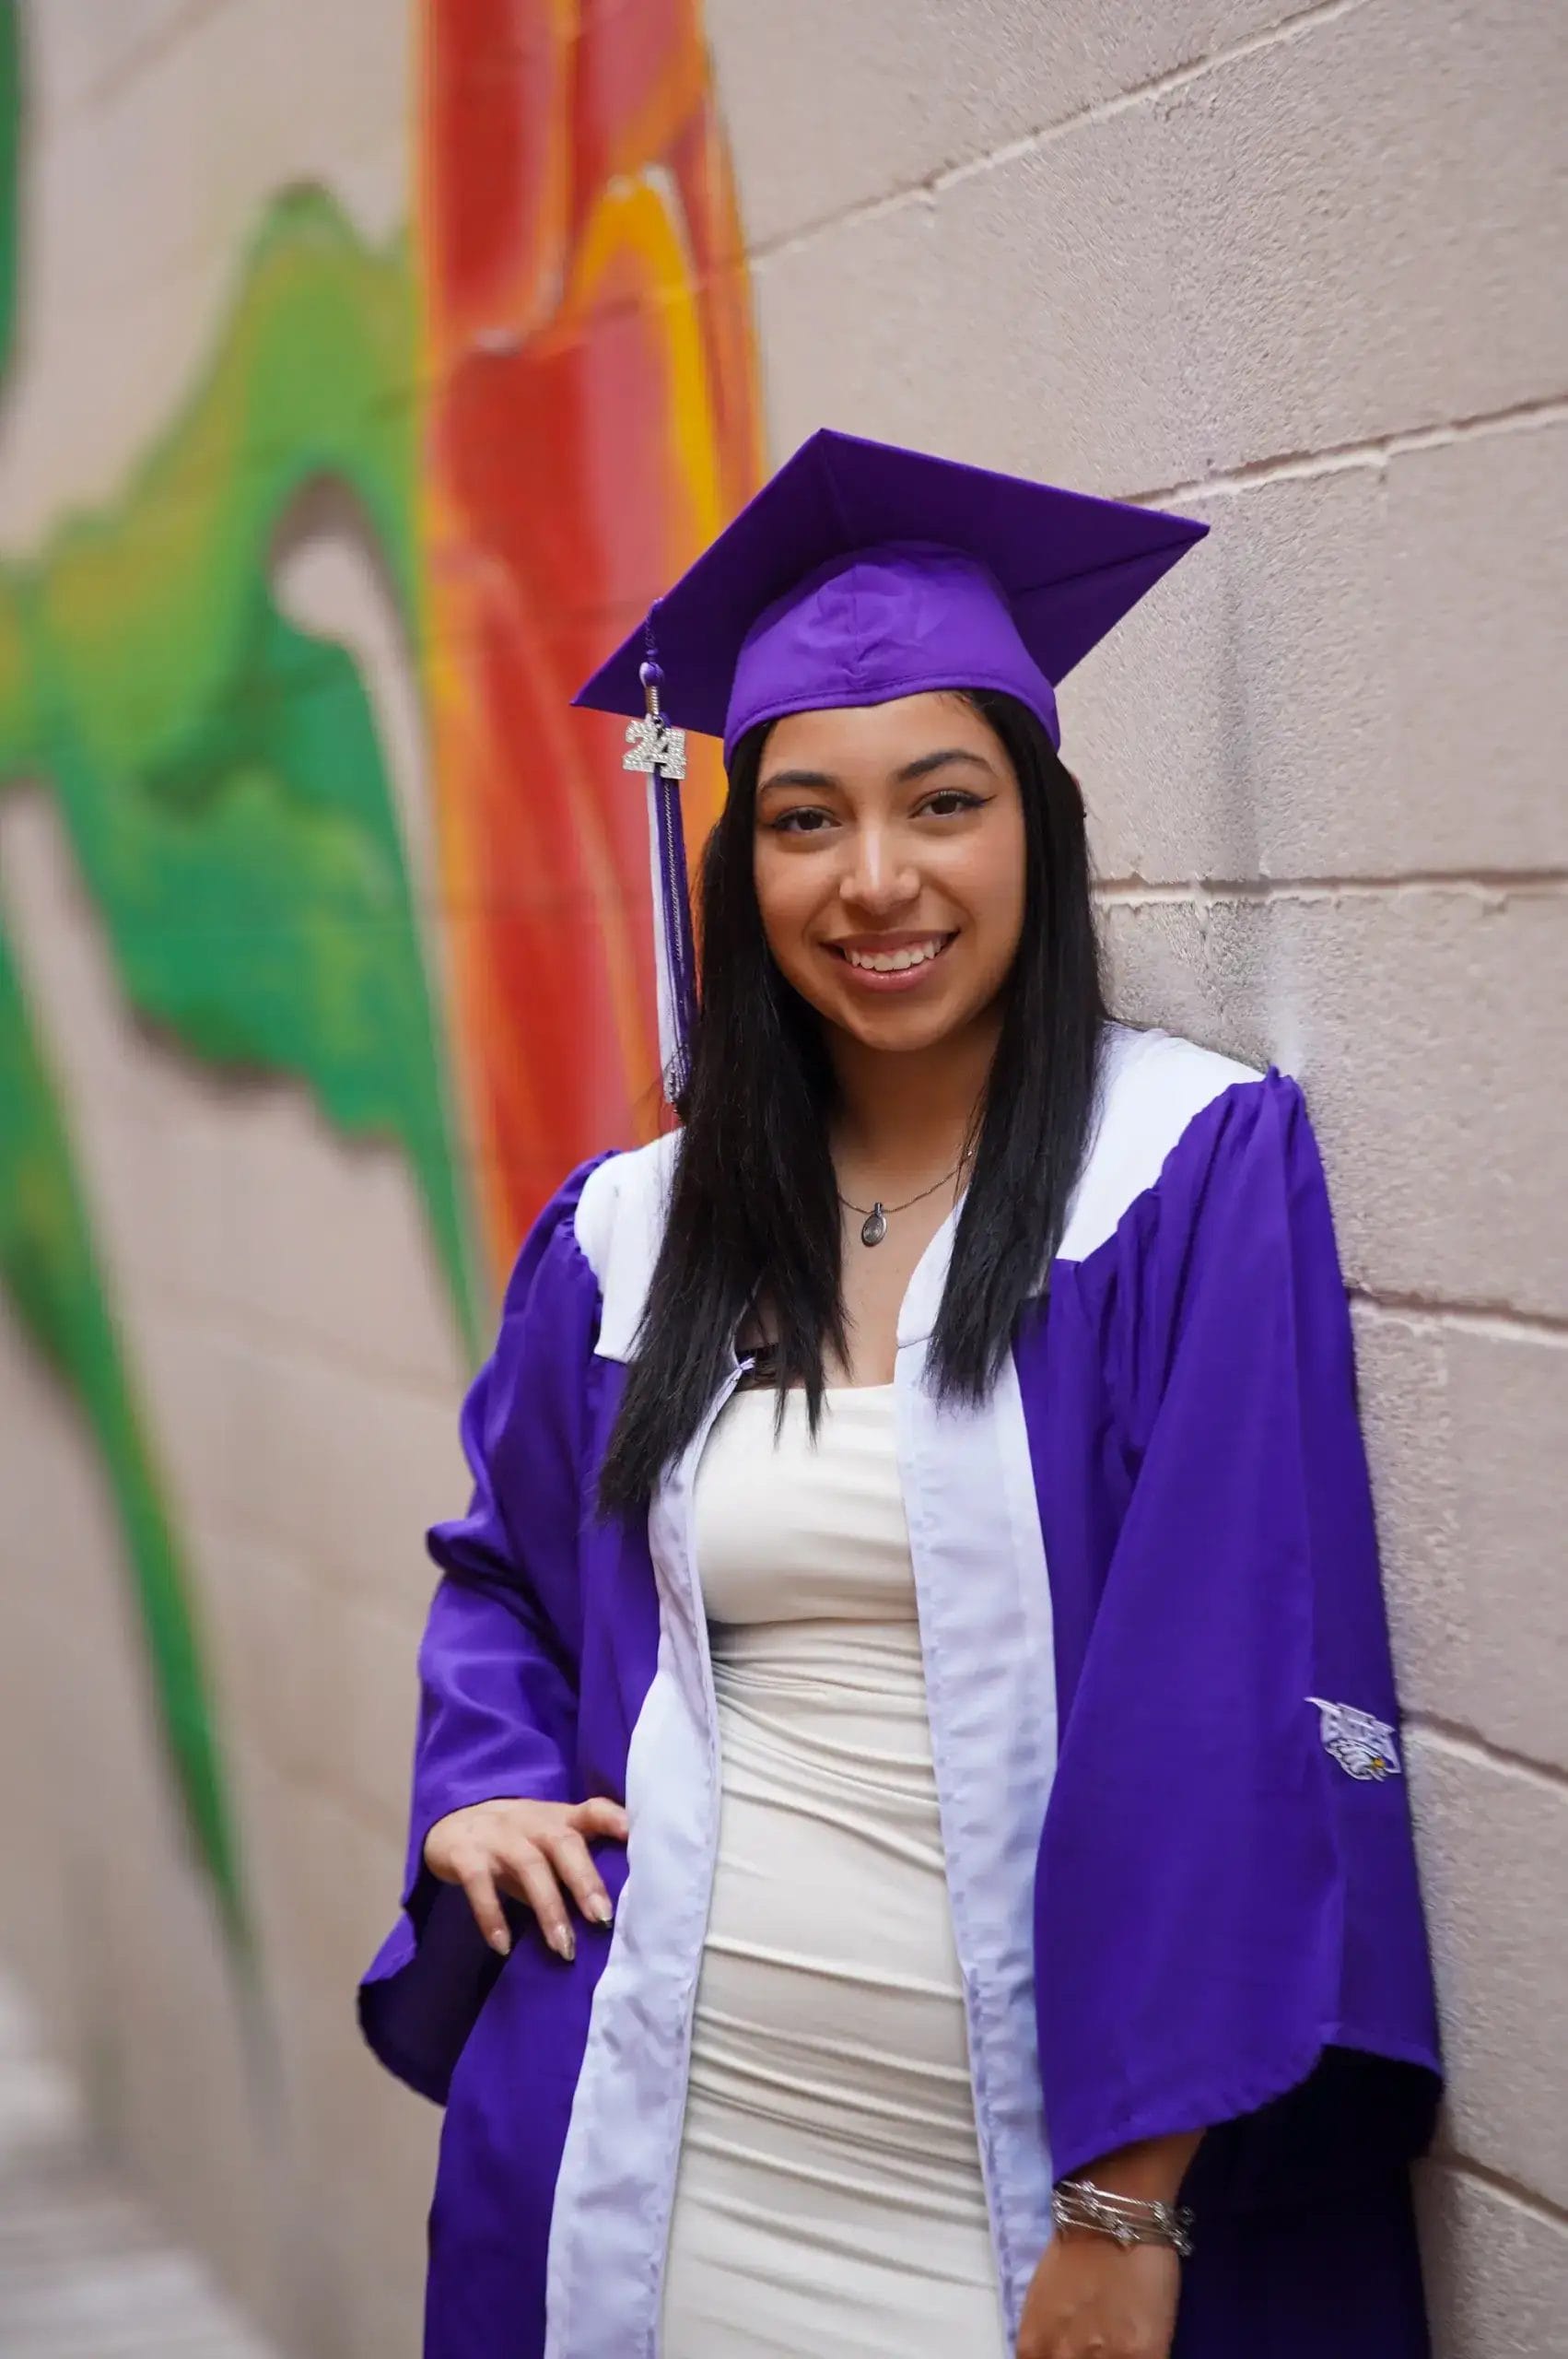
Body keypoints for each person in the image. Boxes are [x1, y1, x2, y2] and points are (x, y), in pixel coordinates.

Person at [358, 429, 1442, 2359]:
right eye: (802, 821)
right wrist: (486, 1778)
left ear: (1035, 818)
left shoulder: (1178, 1170)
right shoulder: (630, 1231)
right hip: (683, 2137)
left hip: (1046, 2170)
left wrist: (1129, 2194)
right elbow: (499, 1572)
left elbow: (1216, 1682)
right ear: (736, 856)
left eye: (939, 802)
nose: (874, 880)